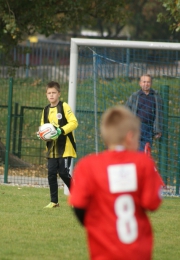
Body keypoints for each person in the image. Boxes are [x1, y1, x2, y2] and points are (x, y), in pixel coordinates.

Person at [69, 106, 164, 260]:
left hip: (102, 252)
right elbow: (151, 203)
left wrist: (96, 225)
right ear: (130, 137)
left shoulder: (87, 165)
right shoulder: (143, 163)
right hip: (139, 252)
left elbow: (78, 205)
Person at [37, 81, 78, 208]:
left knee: (63, 173)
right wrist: (42, 135)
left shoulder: (64, 106)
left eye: (54, 93)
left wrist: (61, 130)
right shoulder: (45, 110)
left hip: (65, 147)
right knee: (51, 173)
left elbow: (74, 123)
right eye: (49, 93)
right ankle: (54, 201)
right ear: (46, 95)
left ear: (59, 94)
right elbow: (43, 127)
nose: (51, 95)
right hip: (52, 148)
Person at [126, 74, 163, 151]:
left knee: (147, 150)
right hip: (136, 127)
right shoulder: (135, 96)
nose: (146, 84)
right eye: (144, 82)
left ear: (151, 83)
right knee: (135, 149)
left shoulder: (156, 96)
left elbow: (159, 114)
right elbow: (126, 110)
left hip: (149, 127)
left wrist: (158, 129)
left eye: (148, 82)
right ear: (140, 83)